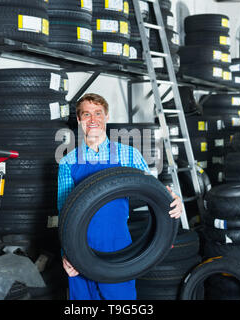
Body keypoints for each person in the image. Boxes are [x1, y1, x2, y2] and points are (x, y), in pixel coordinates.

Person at [57, 93, 183, 300]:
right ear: (79, 120)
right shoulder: (68, 162)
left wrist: (173, 199)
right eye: (86, 114)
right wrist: (66, 253)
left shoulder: (129, 155)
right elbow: (63, 213)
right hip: (79, 247)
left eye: (98, 113)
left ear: (106, 116)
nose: (93, 119)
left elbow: (154, 190)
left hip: (118, 244)